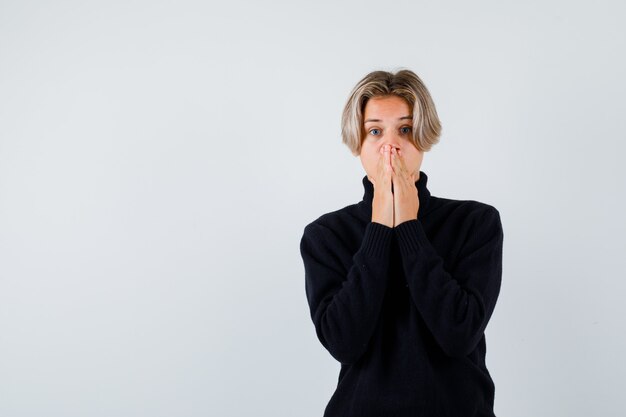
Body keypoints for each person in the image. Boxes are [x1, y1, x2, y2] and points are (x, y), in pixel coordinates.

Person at [299, 69, 504, 416]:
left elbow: (459, 334)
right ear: (358, 143)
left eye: (405, 130)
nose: (390, 146)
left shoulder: (475, 223)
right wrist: (380, 226)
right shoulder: (326, 235)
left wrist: (409, 225)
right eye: (375, 131)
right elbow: (343, 342)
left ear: (423, 137)